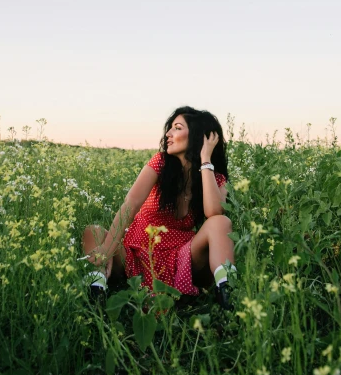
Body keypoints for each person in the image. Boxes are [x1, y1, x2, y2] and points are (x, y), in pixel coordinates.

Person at [82, 106, 236, 310]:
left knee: (221, 222)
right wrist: (107, 250)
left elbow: (213, 213)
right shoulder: (161, 163)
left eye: (177, 128)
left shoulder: (216, 179)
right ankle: (97, 292)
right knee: (92, 232)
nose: (168, 134)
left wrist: (205, 159)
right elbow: (131, 204)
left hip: (181, 257)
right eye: (170, 128)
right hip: (137, 252)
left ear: (199, 136)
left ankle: (227, 293)